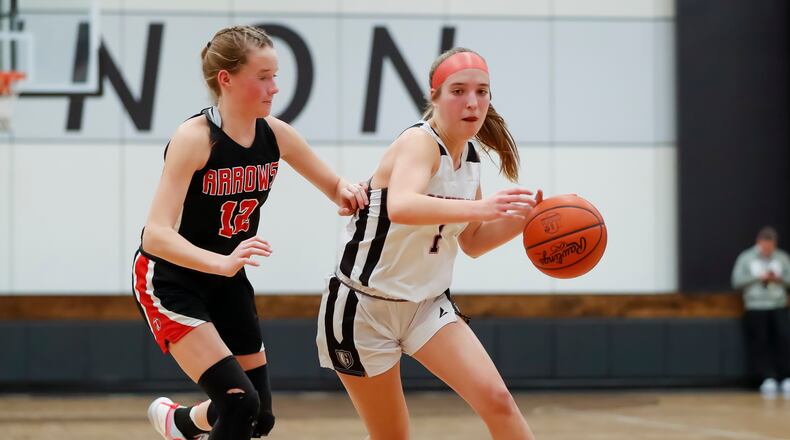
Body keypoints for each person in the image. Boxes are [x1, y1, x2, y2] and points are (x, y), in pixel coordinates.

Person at [132, 25, 368, 440]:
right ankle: (190, 421)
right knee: (239, 404)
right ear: (227, 79)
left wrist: (348, 192)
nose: (275, 88)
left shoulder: (275, 134)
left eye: (275, 76)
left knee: (259, 417)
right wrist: (220, 262)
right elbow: (155, 234)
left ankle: (181, 423)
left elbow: (334, 186)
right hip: (171, 280)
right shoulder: (196, 138)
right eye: (263, 76)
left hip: (226, 279)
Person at [316, 48, 538, 439]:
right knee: (392, 436)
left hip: (426, 306)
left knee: (498, 400)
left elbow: (472, 243)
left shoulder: (469, 158)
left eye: (482, 91)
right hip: (364, 308)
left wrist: (523, 223)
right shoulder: (419, 142)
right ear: (434, 96)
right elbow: (401, 205)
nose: (472, 102)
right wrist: (484, 208)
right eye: (459, 91)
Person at [731, 226, 790, 397]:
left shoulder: (782, 258)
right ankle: (766, 378)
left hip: (778, 305)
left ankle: (786, 376)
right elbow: (736, 281)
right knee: (760, 343)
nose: (768, 250)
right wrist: (758, 277)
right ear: (759, 243)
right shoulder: (746, 258)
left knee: (784, 340)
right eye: (765, 246)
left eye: (771, 246)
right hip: (756, 306)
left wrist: (779, 279)